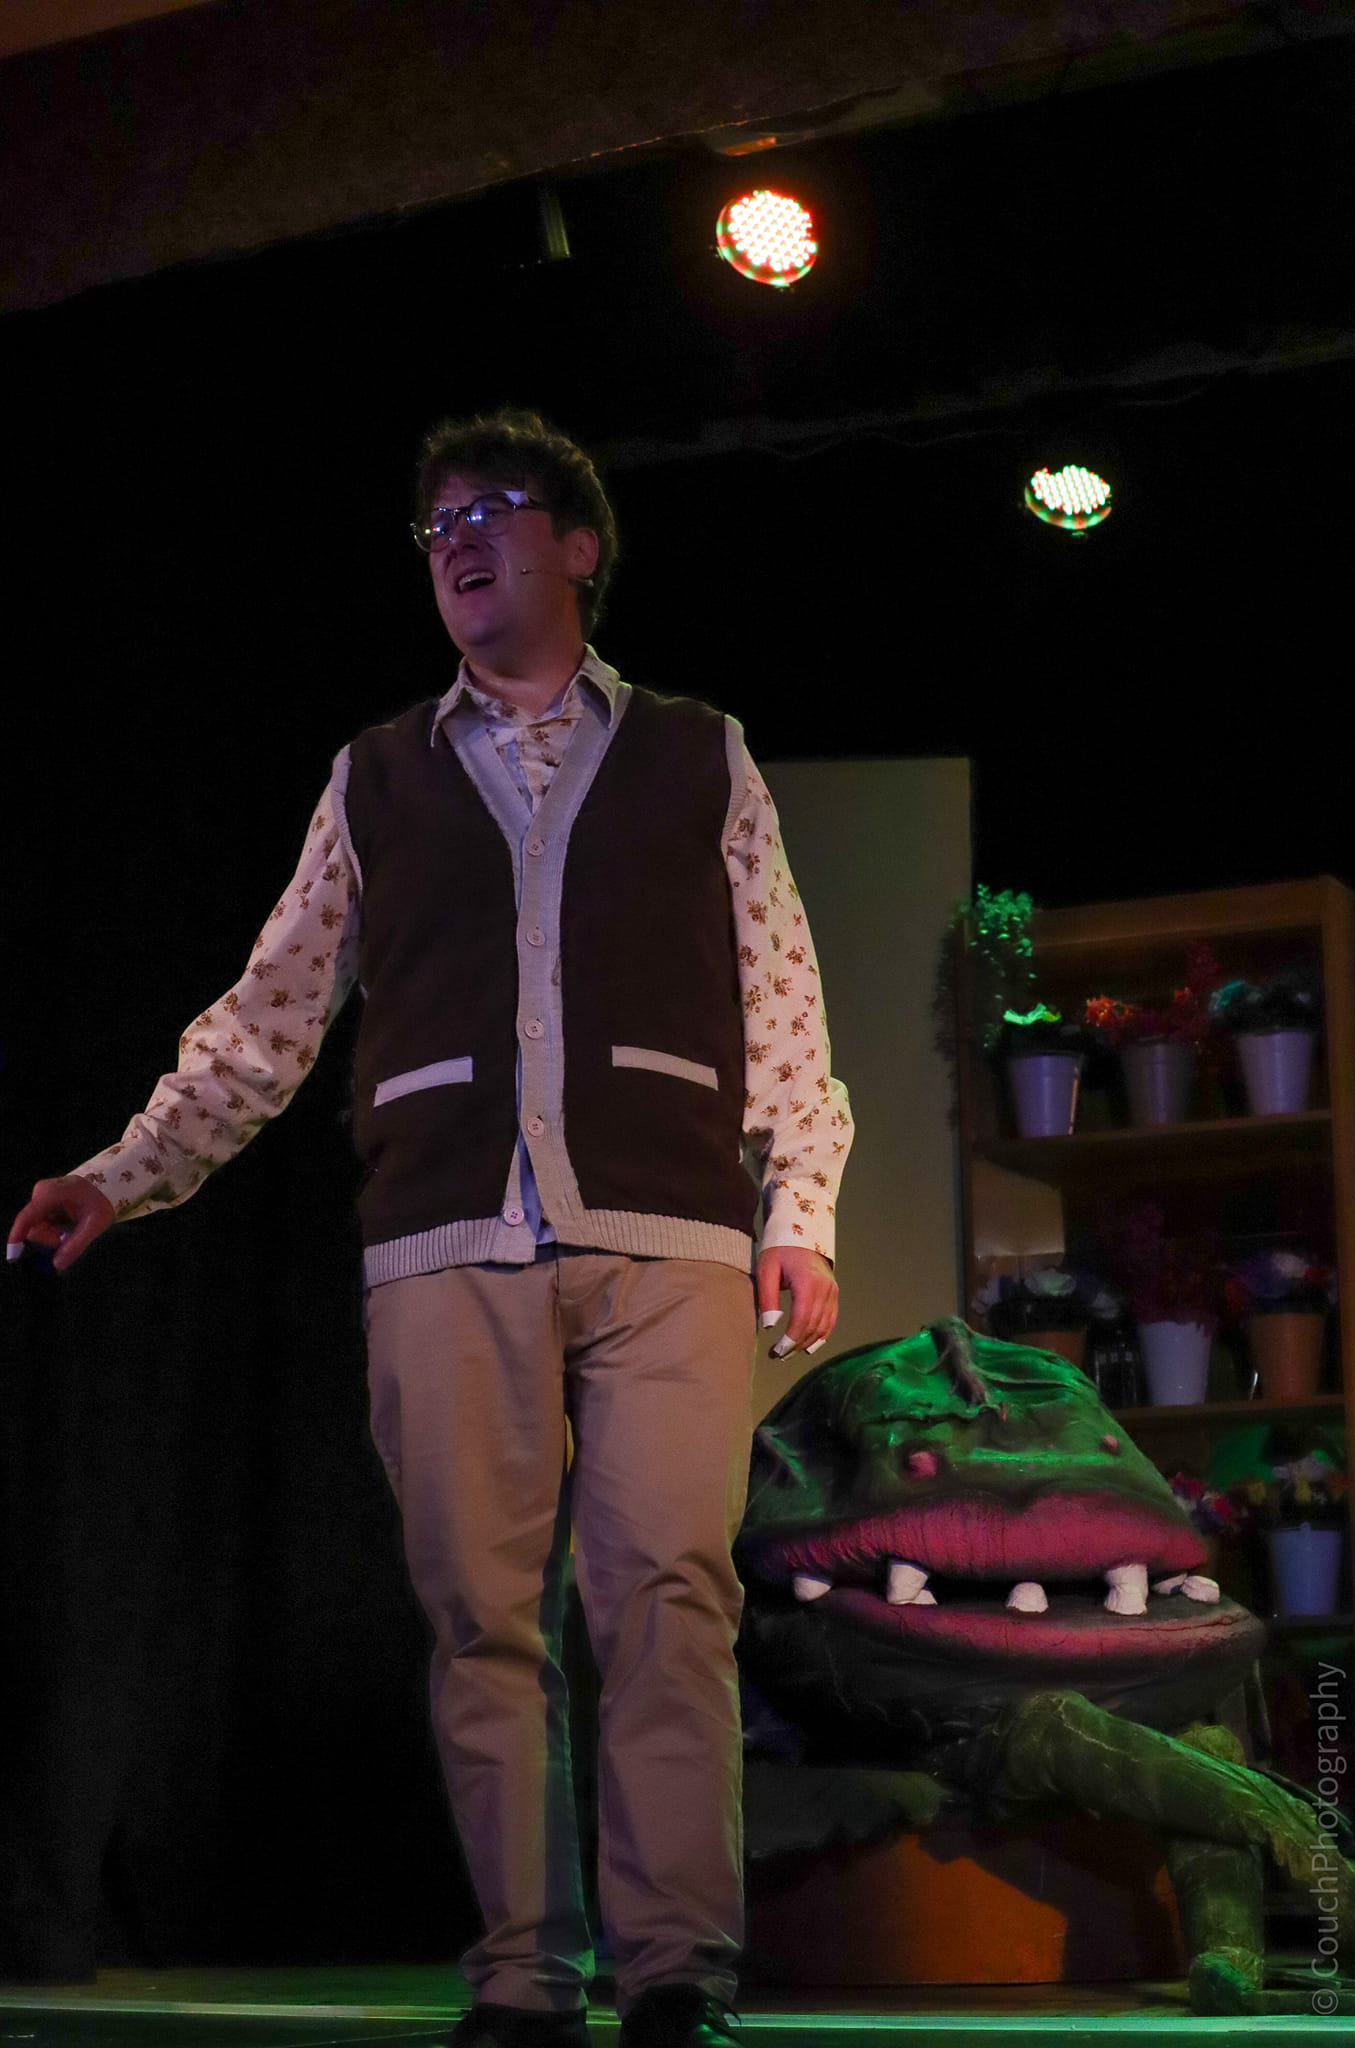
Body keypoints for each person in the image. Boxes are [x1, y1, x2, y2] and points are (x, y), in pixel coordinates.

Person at [9, 409, 852, 2048]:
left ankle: (675, 1971)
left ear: (579, 549)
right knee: (482, 1619)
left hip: (668, 1230)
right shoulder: (377, 773)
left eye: (494, 511)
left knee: (666, 1596)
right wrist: (122, 1171)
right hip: (445, 1235)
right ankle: (523, 1975)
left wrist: (798, 1208)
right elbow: (269, 1015)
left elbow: (782, 998)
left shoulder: (700, 752)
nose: (458, 541)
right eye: (437, 525)